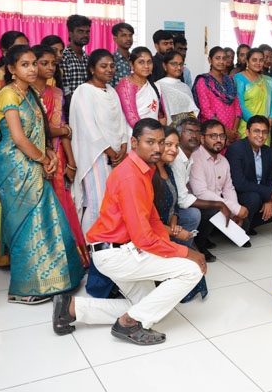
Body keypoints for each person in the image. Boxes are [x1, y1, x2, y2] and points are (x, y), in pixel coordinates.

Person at [51, 119, 206, 345]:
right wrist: (185, 253)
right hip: (118, 254)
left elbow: (151, 219)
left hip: (121, 250)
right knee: (191, 270)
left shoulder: (142, 169)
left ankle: (72, 308)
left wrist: (176, 248)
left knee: (150, 306)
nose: (157, 148)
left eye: (161, 142)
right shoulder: (130, 176)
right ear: (134, 142)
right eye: (150, 142)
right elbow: (144, 238)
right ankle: (129, 324)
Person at [0, 45, 84, 303]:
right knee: (25, 226)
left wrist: (49, 153)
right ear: (11, 69)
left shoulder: (30, 92)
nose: (32, 69)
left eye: (34, 63)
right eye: (25, 64)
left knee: (46, 220)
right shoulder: (8, 95)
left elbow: (38, 132)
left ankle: (53, 279)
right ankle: (22, 290)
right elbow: (18, 138)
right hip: (14, 166)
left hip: (33, 162)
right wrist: (44, 158)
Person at [31, 45, 89, 268]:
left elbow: (61, 128)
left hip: (58, 156)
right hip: (35, 158)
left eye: (53, 64)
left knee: (63, 206)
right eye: (44, 63)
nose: (50, 68)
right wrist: (63, 130)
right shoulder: (24, 94)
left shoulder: (55, 93)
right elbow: (38, 129)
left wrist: (72, 163)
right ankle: (45, 260)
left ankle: (68, 259)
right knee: (41, 208)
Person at [70, 49, 128, 234]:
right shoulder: (84, 91)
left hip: (116, 154)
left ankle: (109, 241)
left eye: (112, 66)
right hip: (96, 156)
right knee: (98, 201)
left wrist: (124, 146)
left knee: (114, 200)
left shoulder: (111, 90)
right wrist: (111, 151)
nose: (109, 69)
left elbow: (121, 121)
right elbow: (89, 127)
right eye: (103, 66)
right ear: (92, 69)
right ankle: (93, 245)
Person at [0, 31, 30, 266]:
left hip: (26, 140)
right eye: (18, 48)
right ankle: (4, 255)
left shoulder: (29, 77)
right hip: (6, 141)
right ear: (5, 53)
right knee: (6, 199)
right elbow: (9, 118)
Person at [189, 119, 249, 261]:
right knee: (214, 208)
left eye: (222, 136)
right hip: (196, 204)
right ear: (202, 139)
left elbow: (228, 188)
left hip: (217, 204)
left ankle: (206, 235)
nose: (218, 140)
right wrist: (233, 207)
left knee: (243, 220)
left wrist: (235, 212)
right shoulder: (196, 158)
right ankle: (199, 244)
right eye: (213, 136)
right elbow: (200, 192)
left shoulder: (223, 161)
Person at [226, 116, 272, 236]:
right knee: (253, 198)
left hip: (260, 193)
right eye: (256, 131)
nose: (261, 135)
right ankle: (239, 232)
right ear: (247, 132)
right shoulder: (236, 149)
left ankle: (248, 225)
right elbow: (239, 183)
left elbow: (271, 180)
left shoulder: (268, 151)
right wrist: (267, 192)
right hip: (240, 195)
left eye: (264, 132)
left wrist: (269, 199)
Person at [152, 126, 201, 239]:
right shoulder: (149, 173)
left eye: (177, 146)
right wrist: (172, 231)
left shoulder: (168, 169)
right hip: (154, 231)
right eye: (169, 144)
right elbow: (147, 220)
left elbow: (174, 204)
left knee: (193, 215)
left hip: (169, 224)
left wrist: (173, 224)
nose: (174, 150)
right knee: (195, 256)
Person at [192, 46, 241, 145]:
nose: (221, 61)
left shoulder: (230, 80)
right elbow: (206, 111)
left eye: (224, 58)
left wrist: (233, 132)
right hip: (213, 132)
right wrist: (225, 132)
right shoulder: (203, 81)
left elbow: (238, 108)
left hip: (232, 132)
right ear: (210, 60)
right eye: (217, 58)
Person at [116, 47, 167, 141]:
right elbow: (132, 118)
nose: (146, 66)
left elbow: (161, 116)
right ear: (131, 64)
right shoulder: (126, 84)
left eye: (149, 62)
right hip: (134, 136)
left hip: (155, 137)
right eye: (141, 62)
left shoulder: (155, 86)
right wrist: (149, 136)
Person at [235, 48, 272, 145]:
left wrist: (270, 120)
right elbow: (240, 105)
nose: (258, 63)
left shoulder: (268, 80)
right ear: (247, 61)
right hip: (247, 126)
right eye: (254, 60)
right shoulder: (239, 78)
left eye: (261, 60)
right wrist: (255, 123)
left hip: (265, 127)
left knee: (263, 157)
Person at [156, 51, 200, 126]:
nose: (179, 67)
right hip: (167, 129)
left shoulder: (185, 87)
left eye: (181, 64)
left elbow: (193, 112)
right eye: (174, 64)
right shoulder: (158, 86)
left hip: (186, 129)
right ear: (165, 66)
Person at [60, 14, 92, 102]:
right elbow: (65, 89)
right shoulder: (64, 57)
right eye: (80, 31)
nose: (85, 35)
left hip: (88, 105)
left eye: (87, 32)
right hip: (71, 108)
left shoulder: (88, 58)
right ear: (70, 33)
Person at [110, 22, 134, 88]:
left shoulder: (135, 59)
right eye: (124, 35)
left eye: (130, 35)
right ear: (115, 39)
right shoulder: (111, 61)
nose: (128, 38)